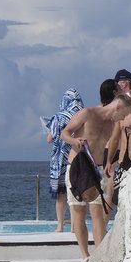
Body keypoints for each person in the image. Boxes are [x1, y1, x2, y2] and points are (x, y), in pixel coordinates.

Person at [60, 95, 131, 262]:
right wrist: (74, 140)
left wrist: (109, 163)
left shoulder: (112, 124)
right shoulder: (87, 113)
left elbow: (114, 142)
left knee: (98, 211)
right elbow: (64, 133)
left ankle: (99, 254)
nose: (122, 119)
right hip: (78, 166)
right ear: (117, 108)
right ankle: (85, 254)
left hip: (97, 168)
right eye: (123, 115)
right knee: (79, 211)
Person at [42, 89, 85, 233]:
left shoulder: (59, 117)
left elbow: (50, 139)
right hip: (77, 159)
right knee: (75, 195)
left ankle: (60, 226)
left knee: (61, 195)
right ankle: (74, 227)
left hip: (61, 161)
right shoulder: (84, 115)